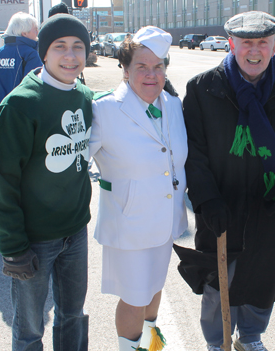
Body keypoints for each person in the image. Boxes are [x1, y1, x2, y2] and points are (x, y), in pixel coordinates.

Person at [178, 11, 275, 351]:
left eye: (263, 43)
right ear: (231, 44)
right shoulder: (202, 88)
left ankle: (250, 336)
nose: (254, 51)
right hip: (221, 204)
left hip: (272, 206)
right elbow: (193, 152)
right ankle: (216, 341)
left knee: (263, 276)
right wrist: (207, 199)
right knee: (217, 280)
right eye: (246, 43)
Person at [0, 14, 93, 351]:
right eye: (60, 47)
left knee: (73, 315)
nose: (71, 56)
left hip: (75, 234)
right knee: (30, 330)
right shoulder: (20, 105)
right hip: (34, 240)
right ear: (43, 53)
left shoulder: (85, 97)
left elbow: (112, 103)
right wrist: (12, 246)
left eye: (78, 47)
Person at [89, 26, 187, 351]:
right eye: (142, 67)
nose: (151, 74)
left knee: (155, 288)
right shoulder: (104, 110)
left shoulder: (172, 104)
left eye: (158, 66)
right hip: (128, 225)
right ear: (125, 69)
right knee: (134, 297)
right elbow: (77, 162)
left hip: (164, 221)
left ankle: (150, 342)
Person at [0, 12, 42, 124]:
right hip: (23, 122)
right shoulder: (30, 55)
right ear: (24, 33)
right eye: (35, 29)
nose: (37, 33)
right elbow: (36, 92)